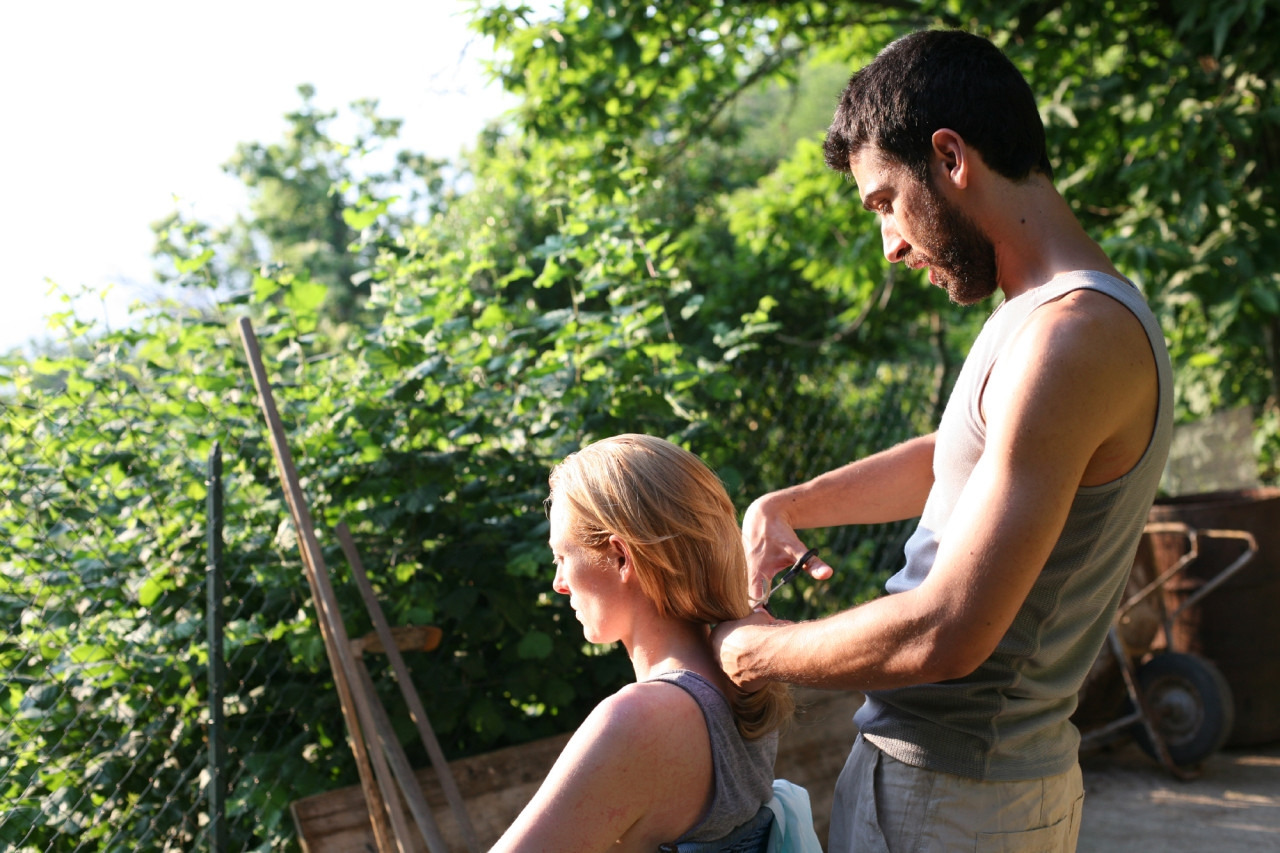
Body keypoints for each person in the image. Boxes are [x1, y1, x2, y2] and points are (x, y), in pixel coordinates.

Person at [711, 29, 1174, 853]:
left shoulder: (1072, 335)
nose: (889, 244)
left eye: (885, 202)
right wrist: (794, 502)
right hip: (957, 792)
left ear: (951, 157)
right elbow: (963, 452)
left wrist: (750, 650)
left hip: (957, 800)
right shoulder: (1040, 315)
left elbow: (946, 632)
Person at [491, 434, 796, 853]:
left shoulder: (638, 720)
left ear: (621, 557)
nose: (558, 583)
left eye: (562, 557)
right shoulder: (742, 682)